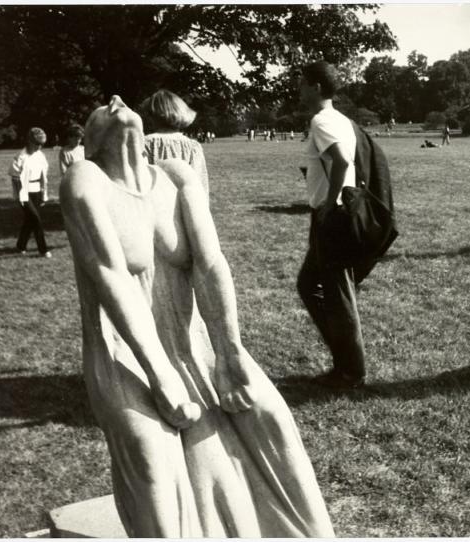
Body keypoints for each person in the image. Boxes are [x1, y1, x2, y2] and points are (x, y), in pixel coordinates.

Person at [60, 95, 334, 537]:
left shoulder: (175, 175)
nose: (115, 101)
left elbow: (211, 265)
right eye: (98, 110)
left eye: (120, 99)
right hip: (124, 353)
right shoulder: (85, 179)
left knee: (270, 415)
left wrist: (230, 352)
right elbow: (112, 276)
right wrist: (160, 374)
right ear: (89, 142)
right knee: (152, 451)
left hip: (195, 343)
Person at [296, 60, 366, 389]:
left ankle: (351, 371)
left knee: (336, 294)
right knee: (311, 285)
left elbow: (341, 160)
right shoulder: (340, 119)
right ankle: (344, 360)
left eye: (303, 82)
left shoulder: (322, 121)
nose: (299, 88)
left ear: (317, 87)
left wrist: (328, 202)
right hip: (337, 212)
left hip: (331, 216)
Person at [142, 89, 209, 194]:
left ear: (152, 115)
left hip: (156, 205)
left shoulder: (145, 143)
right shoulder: (193, 147)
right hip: (186, 204)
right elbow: (200, 187)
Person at [9, 127, 51, 258]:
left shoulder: (40, 156)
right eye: (37, 144)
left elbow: (44, 177)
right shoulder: (20, 157)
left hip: (37, 190)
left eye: (41, 144)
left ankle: (21, 245)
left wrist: (44, 194)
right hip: (24, 192)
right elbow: (15, 179)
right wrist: (19, 196)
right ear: (29, 141)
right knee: (36, 220)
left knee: (29, 221)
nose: (39, 147)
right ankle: (43, 249)